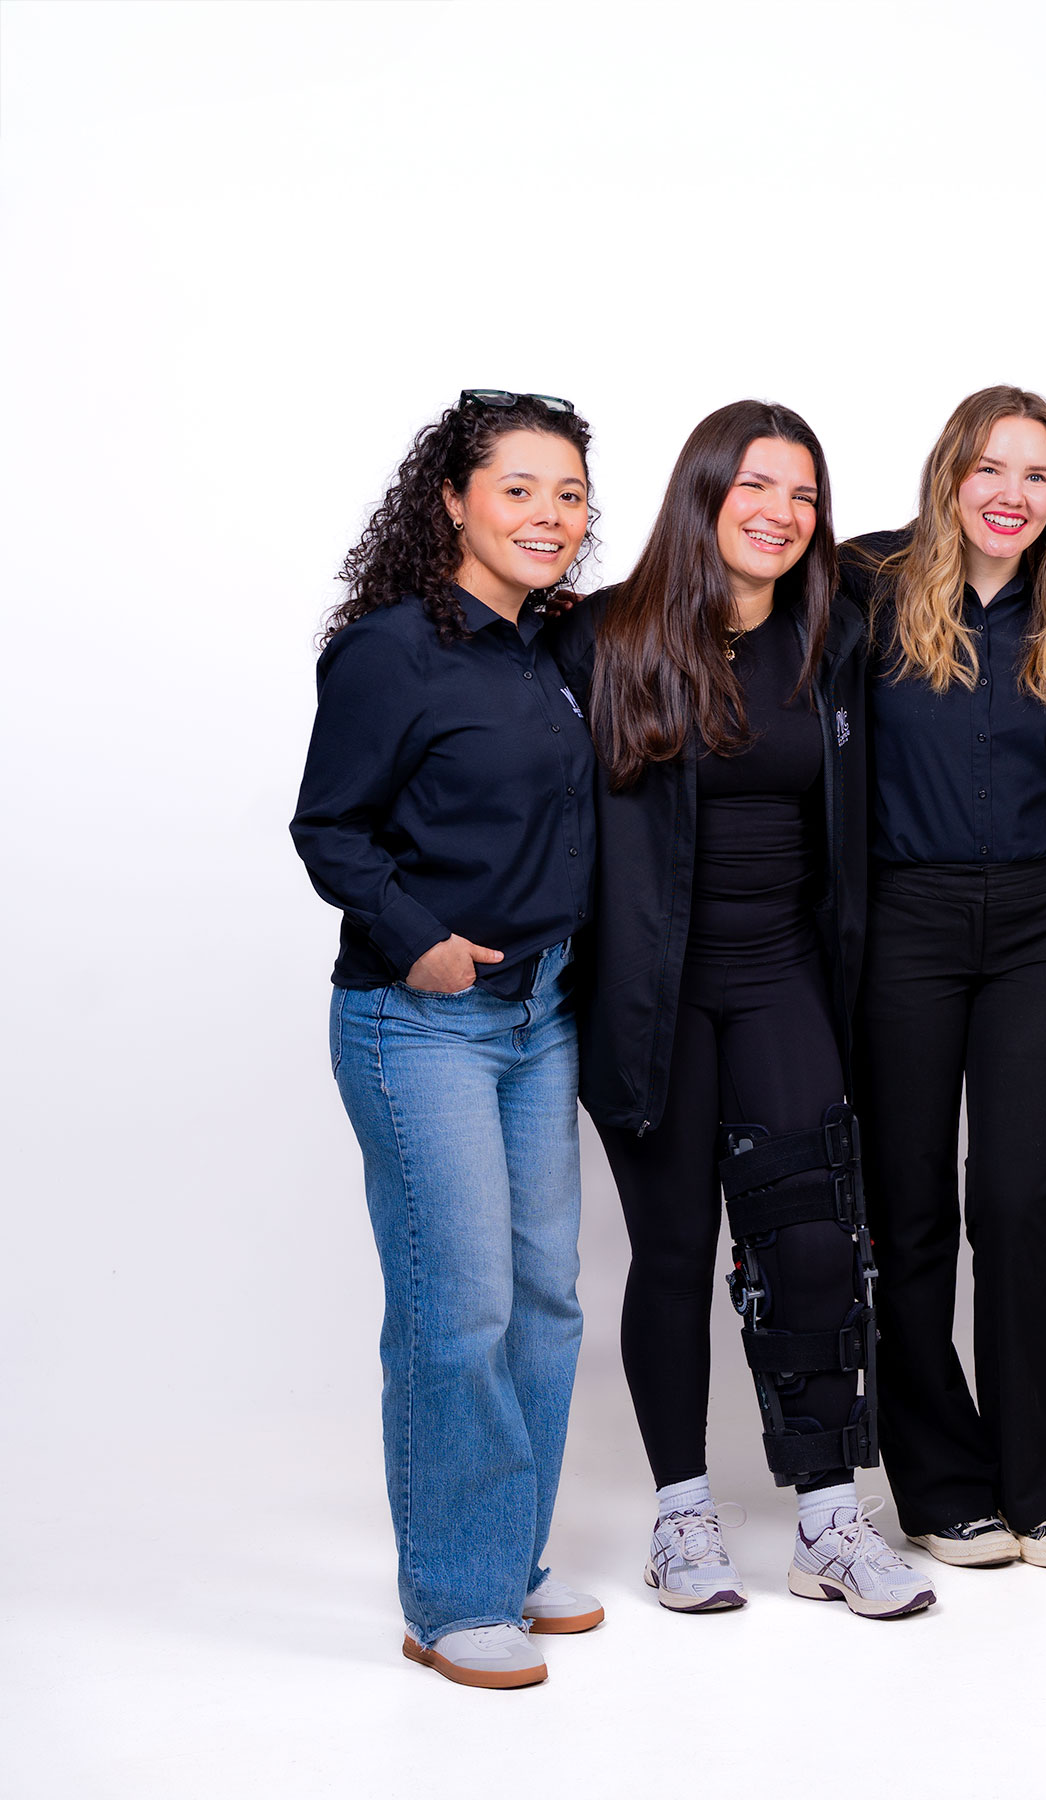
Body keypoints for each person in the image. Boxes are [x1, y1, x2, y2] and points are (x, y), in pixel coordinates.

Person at [558, 400, 932, 1622]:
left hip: (784, 982)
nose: (781, 514)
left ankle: (829, 1520)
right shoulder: (605, 639)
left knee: (819, 1247)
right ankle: (681, 1516)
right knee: (670, 1256)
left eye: (806, 495)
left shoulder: (836, 633)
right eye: (757, 488)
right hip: (648, 995)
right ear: (705, 495)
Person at [293, 390, 606, 1688]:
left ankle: (507, 1557)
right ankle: (454, 1596)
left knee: (546, 1304)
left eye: (571, 495)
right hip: (418, 1022)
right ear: (455, 501)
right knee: (456, 1305)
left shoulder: (555, 649)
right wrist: (414, 932)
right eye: (521, 488)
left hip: (542, 1015)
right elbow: (330, 829)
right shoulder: (387, 651)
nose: (550, 516)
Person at [839, 388, 1046, 1571]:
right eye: (991, 469)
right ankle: (942, 1485)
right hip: (907, 921)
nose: (1012, 495)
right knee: (910, 1215)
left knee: (1018, 1200)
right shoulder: (864, 586)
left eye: (1036, 477)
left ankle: (1029, 1483)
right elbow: (723, 596)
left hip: (1044, 924)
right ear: (951, 476)